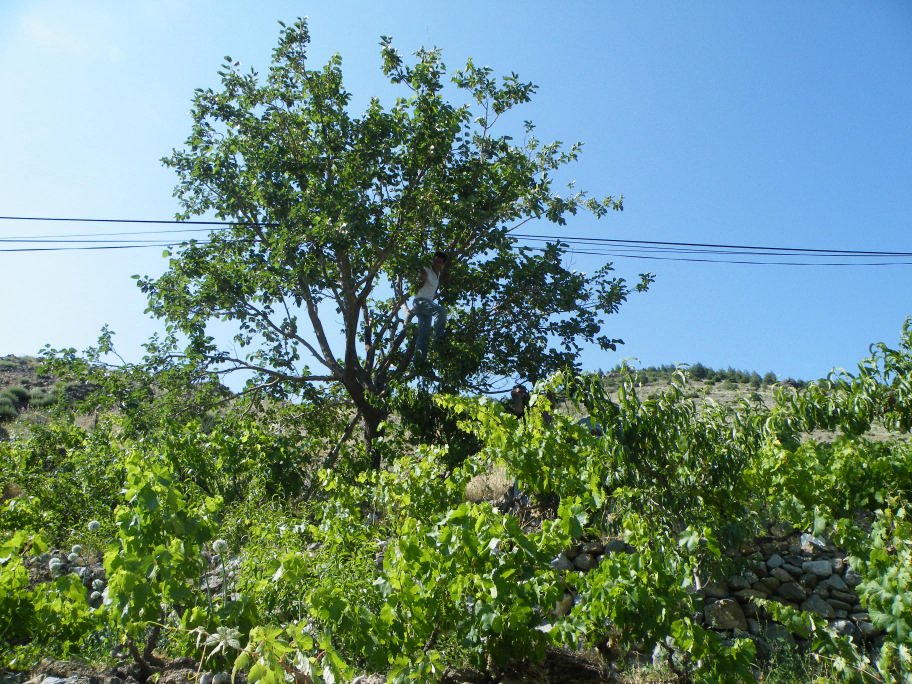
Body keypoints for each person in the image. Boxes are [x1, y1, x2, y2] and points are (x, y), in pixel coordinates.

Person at [412, 251, 449, 359]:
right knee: (441, 311)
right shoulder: (426, 269)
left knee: (423, 334)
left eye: (439, 262)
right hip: (420, 302)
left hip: (427, 305)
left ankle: (419, 361)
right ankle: (438, 340)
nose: (436, 263)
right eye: (435, 261)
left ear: (442, 264)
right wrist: (421, 279)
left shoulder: (438, 275)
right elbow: (418, 285)